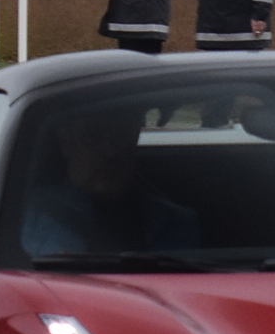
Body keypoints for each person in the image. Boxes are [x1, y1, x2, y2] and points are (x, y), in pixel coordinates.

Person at [19, 104, 199, 257]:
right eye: (92, 137)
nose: (109, 152)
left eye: (121, 135)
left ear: (134, 138)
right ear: (66, 142)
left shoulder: (176, 224)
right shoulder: (23, 216)